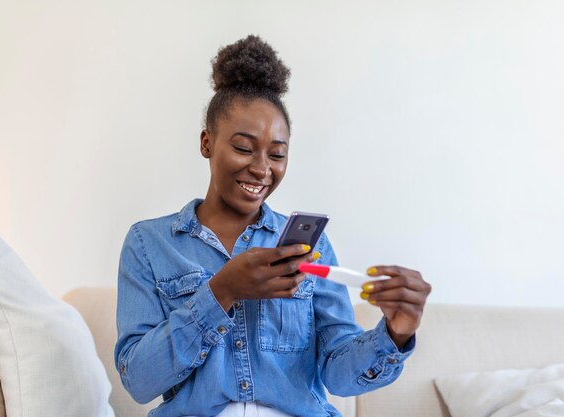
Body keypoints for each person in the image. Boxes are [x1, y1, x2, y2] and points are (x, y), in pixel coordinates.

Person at [115, 35, 431, 417]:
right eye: (244, 148)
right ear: (207, 143)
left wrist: (395, 334)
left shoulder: (309, 246)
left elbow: (338, 374)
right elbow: (139, 381)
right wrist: (222, 291)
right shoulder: (149, 244)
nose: (263, 169)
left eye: (277, 154)